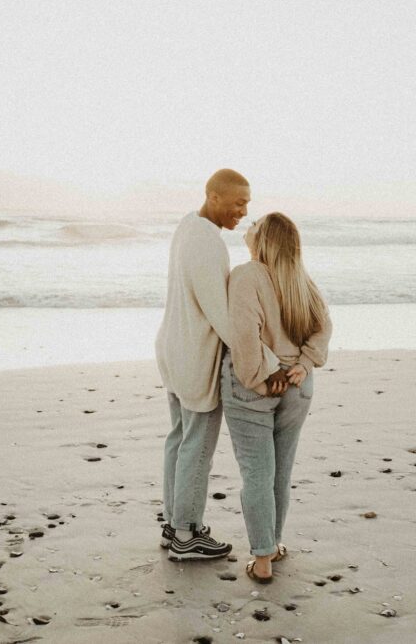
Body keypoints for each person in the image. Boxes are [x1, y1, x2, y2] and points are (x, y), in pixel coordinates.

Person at [155, 169, 288, 561]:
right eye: (237, 203)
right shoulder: (207, 244)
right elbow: (224, 317)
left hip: (172, 345)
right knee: (197, 445)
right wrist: (266, 363)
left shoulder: (188, 227)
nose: (243, 212)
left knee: (179, 438)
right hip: (194, 354)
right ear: (213, 197)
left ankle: (173, 523)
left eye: (247, 204)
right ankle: (186, 534)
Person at [222, 212, 332, 583]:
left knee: (257, 472)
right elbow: (324, 327)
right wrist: (305, 363)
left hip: (258, 386)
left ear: (263, 238)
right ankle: (274, 544)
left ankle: (263, 559)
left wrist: (260, 380)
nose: (248, 226)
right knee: (279, 473)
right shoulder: (300, 279)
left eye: (254, 224)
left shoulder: (246, 275)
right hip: (299, 387)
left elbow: (244, 335)